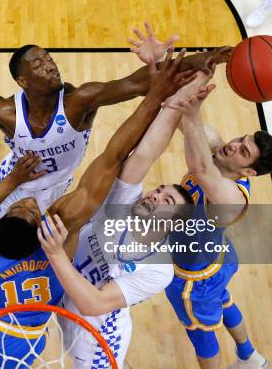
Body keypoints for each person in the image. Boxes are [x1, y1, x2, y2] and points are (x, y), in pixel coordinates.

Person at [0, 49, 196, 368]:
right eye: (31, 211)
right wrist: (159, 98)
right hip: (31, 338)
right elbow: (115, 155)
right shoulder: (60, 235)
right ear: (40, 228)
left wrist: (12, 182)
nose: (31, 202)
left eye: (21, 207)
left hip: (15, 326)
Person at [0, 22, 231, 226]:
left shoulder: (78, 100)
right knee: (4, 251)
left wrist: (212, 56)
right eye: (39, 65)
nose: (50, 65)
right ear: (23, 82)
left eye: (49, 58)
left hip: (61, 187)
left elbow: (140, 83)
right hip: (13, 185)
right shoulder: (4, 112)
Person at [37, 72, 215, 368]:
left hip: (95, 334)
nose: (155, 197)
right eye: (159, 191)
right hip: (60, 294)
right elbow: (146, 152)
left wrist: (55, 253)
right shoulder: (126, 203)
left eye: (166, 202)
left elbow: (93, 303)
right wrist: (175, 103)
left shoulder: (159, 271)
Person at [162, 88, 272, 369]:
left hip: (194, 278)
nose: (233, 145)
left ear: (249, 172)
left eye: (244, 151)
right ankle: (249, 355)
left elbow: (201, 170)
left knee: (202, 337)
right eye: (241, 139)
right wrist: (164, 77)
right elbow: (178, 116)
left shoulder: (232, 199)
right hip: (220, 258)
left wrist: (192, 113)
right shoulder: (216, 148)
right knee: (225, 300)